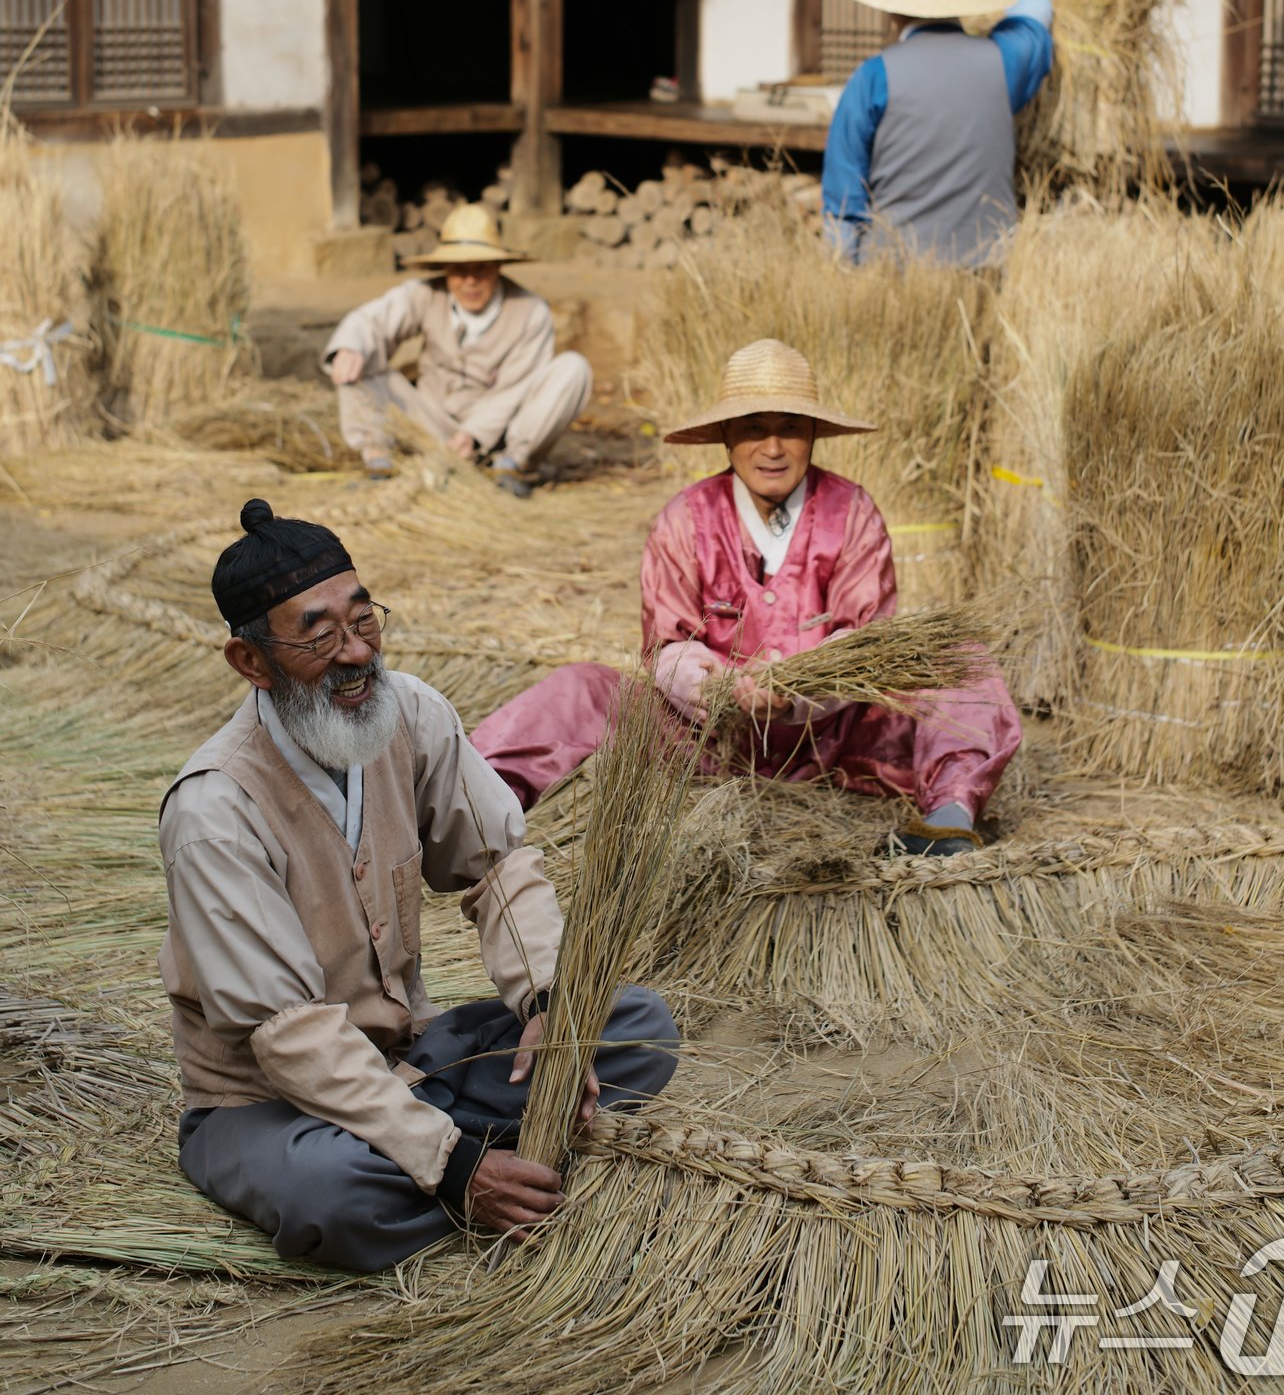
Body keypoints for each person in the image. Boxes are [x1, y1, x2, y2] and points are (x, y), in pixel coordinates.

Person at [158, 498, 678, 1272]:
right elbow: (288, 1034)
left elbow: (498, 864)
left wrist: (547, 1007)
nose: (354, 654)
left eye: (364, 621)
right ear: (252, 662)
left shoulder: (413, 715)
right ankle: (458, 1163)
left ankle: (439, 1154)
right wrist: (458, 1168)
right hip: (274, 1105)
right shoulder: (214, 809)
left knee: (640, 1025)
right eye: (318, 634)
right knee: (329, 1194)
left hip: (415, 1058)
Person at [472, 340, 1020, 854]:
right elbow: (668, 643)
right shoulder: (685, 519)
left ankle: (948, 822)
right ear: (727, 436)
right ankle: (474, 803)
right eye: (754, 428)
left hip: (835, 734)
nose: (774, 448)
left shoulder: (852, 513)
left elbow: (866, 636)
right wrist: (718, 689)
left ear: (814, 434)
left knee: (961, 662)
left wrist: (797, 691)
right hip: (705, 740)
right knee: (582, 689)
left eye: (791, 428)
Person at [820, 0, 1069, 267]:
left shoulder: (873, 78)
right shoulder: (1002, 63)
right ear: (962, 3)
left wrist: (843, 270)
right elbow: (1030, 28)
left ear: (892, 10)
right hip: (986, 271)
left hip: (892, 276)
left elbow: (843, 200)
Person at [323, 201, 592, 494]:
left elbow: (516, 388)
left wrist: (474, 434)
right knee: (357, 359)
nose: (470, 281)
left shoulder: (529, 311)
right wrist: (352, 349)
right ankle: (380, 462)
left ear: (499, 267)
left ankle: (510, 467)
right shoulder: (424, 294)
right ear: (445, 270)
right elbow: (371, 320)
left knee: (573, 369)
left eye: (482, 269)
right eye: (460, 270)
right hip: (429, 425)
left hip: (498, 434)